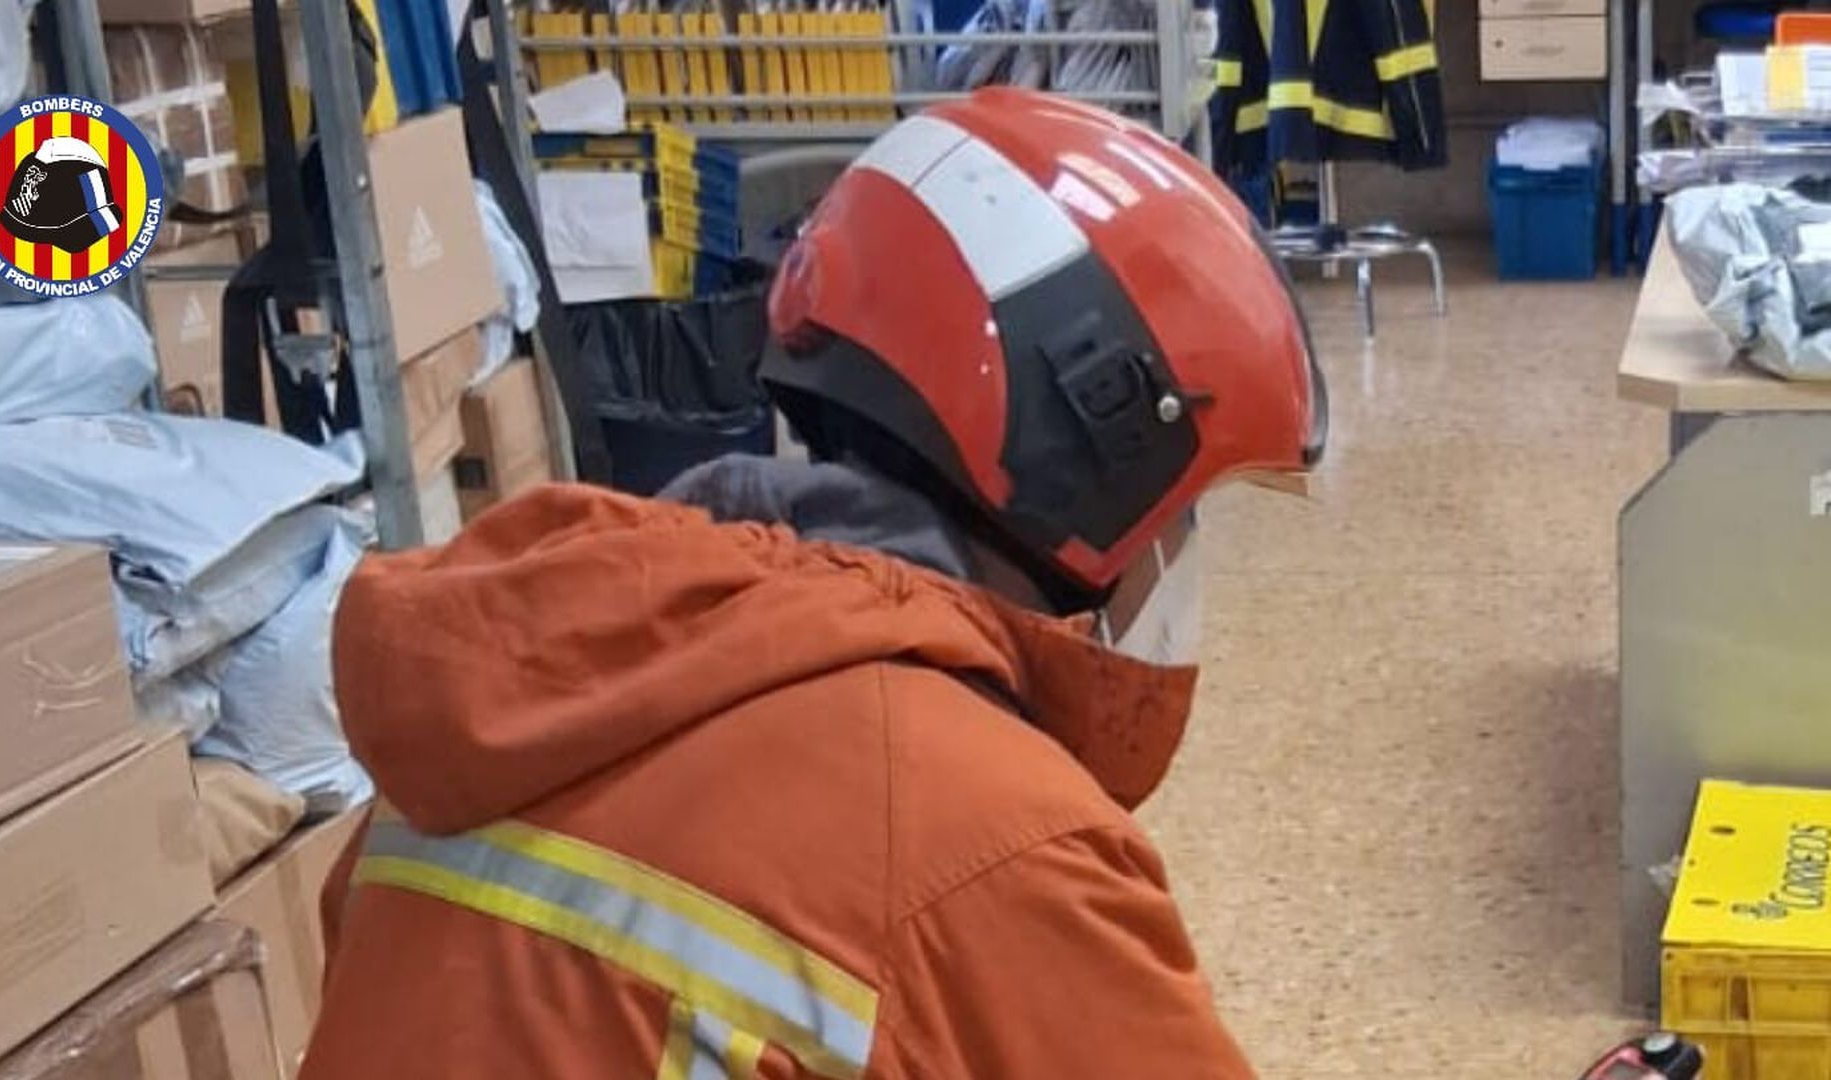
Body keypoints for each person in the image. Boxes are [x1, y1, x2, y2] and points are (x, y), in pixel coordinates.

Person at [300, 87, 1325, 1080]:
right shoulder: (984, 836)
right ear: (1090, 451)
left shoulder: (508, 686)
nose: (1183, 555)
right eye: (1185, 510)